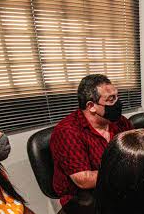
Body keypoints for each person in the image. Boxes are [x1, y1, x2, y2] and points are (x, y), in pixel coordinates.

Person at [50, 74, 133, 205]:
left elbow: (135, 149)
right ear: (91, 106)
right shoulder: (68, 131)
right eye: (111, 99)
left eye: (117, 96)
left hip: (119, 187)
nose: (118, 103)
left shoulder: (120, 122)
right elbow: (84, 180)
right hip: (84, 199)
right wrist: (129, 171)